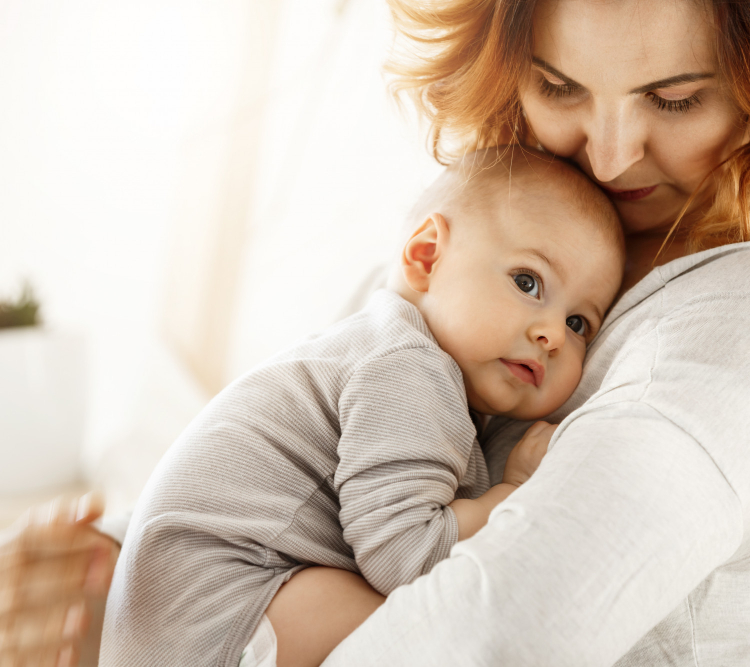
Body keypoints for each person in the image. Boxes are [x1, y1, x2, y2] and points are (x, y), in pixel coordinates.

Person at [0, 0, 750, 665]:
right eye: (560, 86)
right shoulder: (467, 249)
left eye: (675, 99)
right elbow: (303, 446)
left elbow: (488, 636)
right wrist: (115, 561)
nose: (607, 154)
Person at [97, 147, 625, 667]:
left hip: (161, 624)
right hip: (213, 622)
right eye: (527, 282)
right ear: (427, 257)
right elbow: (406, 557)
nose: (553, 334)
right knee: (438, 627)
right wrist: (511, 495)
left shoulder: (375, 342)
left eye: (580, 323)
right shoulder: (410, 368)